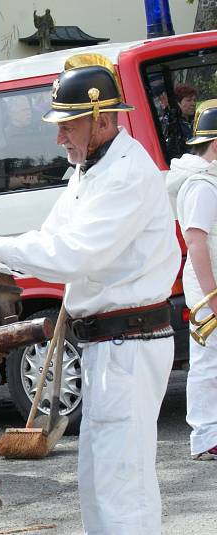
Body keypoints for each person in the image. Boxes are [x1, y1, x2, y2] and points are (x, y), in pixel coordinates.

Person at [0, 54, 179, 535]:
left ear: (103, 119)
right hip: (108, 345)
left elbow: (75, 253)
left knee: (120, 487)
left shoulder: (127, 174)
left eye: (68, 125)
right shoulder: (93, 170)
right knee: (100, 482)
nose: (58, 137)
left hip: (126, 346)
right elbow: (53, 239)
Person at [166, 99, 217, 461]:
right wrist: (212, 293)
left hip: (208, 283)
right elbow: (196, 241)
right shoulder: (201, 185)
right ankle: (205, 436)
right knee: (207, 363)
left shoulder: (205, 181)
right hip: (208, 287)